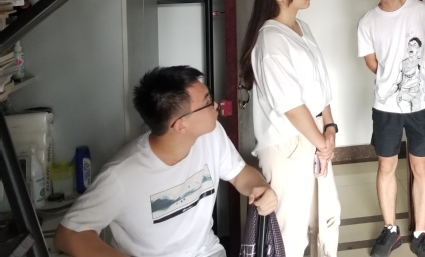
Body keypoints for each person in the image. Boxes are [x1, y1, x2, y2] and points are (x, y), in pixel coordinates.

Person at [54, 66, 277, 257]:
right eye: (208, 102)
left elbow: (240, 174)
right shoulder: (122, 175)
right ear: (181, 124)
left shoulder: (211, 135)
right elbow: (69, 235)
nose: (216, 105)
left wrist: (261, 187)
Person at [239, 0, 341, 257]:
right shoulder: (270, 39)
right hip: (288, 143)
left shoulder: (301, 27)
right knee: (289, 232)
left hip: (314, 134)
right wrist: (321, 141)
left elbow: (320, 85)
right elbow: (291, 105)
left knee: (325, 217)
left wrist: (330, 127)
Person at [357, 0, 425, 257]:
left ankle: (420, 233)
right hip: (385, 107)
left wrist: (412, 78)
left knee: (421, 166)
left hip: (420, 105)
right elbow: (371, 63)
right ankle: (390, 230)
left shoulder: (420, 11)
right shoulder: (367, 22)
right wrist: (393, 78)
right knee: (386, 166)